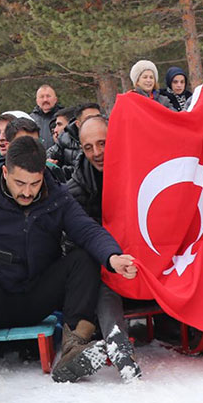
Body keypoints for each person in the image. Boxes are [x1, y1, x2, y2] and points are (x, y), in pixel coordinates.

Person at [0, 136, 139, 398]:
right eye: (19, 183)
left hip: (38, 294)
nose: (27, 192)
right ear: (5, 172)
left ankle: (74, 349)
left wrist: (112, 257)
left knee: (83, 258)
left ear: (44, 175)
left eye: (34, 184)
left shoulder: (57, 196)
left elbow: (87, 230)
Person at [65, 115, 141, 380]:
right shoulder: (77, 188)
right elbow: (79, 237)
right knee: (104, 277)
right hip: (109, 265)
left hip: (144, 257)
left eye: (102, 143)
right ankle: (118, 343)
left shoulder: (139, 169)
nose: (96, 153)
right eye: (88, 147)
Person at [47, 103, 101, 180]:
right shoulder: (64, 139)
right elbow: (49, 159)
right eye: (89, 119)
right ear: (78, 124)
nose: (95, 122)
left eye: (98, 118)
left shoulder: (110, 137)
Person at [29, 84, 62, 149]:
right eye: (41, 97)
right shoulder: (30, 120)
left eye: (48, 96)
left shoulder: (64, 117)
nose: (45, 100)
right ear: (37, 101)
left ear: (55, 99)